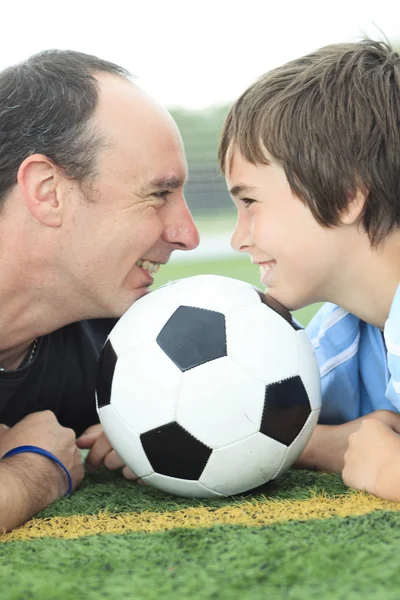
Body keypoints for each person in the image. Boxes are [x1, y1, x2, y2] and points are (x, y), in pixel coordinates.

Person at [0, 49, 199, 532]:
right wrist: (31, 471)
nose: (187, 234)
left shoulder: (132, 343)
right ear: (48, 191)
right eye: (159, 194)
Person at [218, 39, 400, 502]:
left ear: (343, 196)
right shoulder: (342, 337)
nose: (239, 238)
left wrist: (389, 470)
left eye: (250, 202)